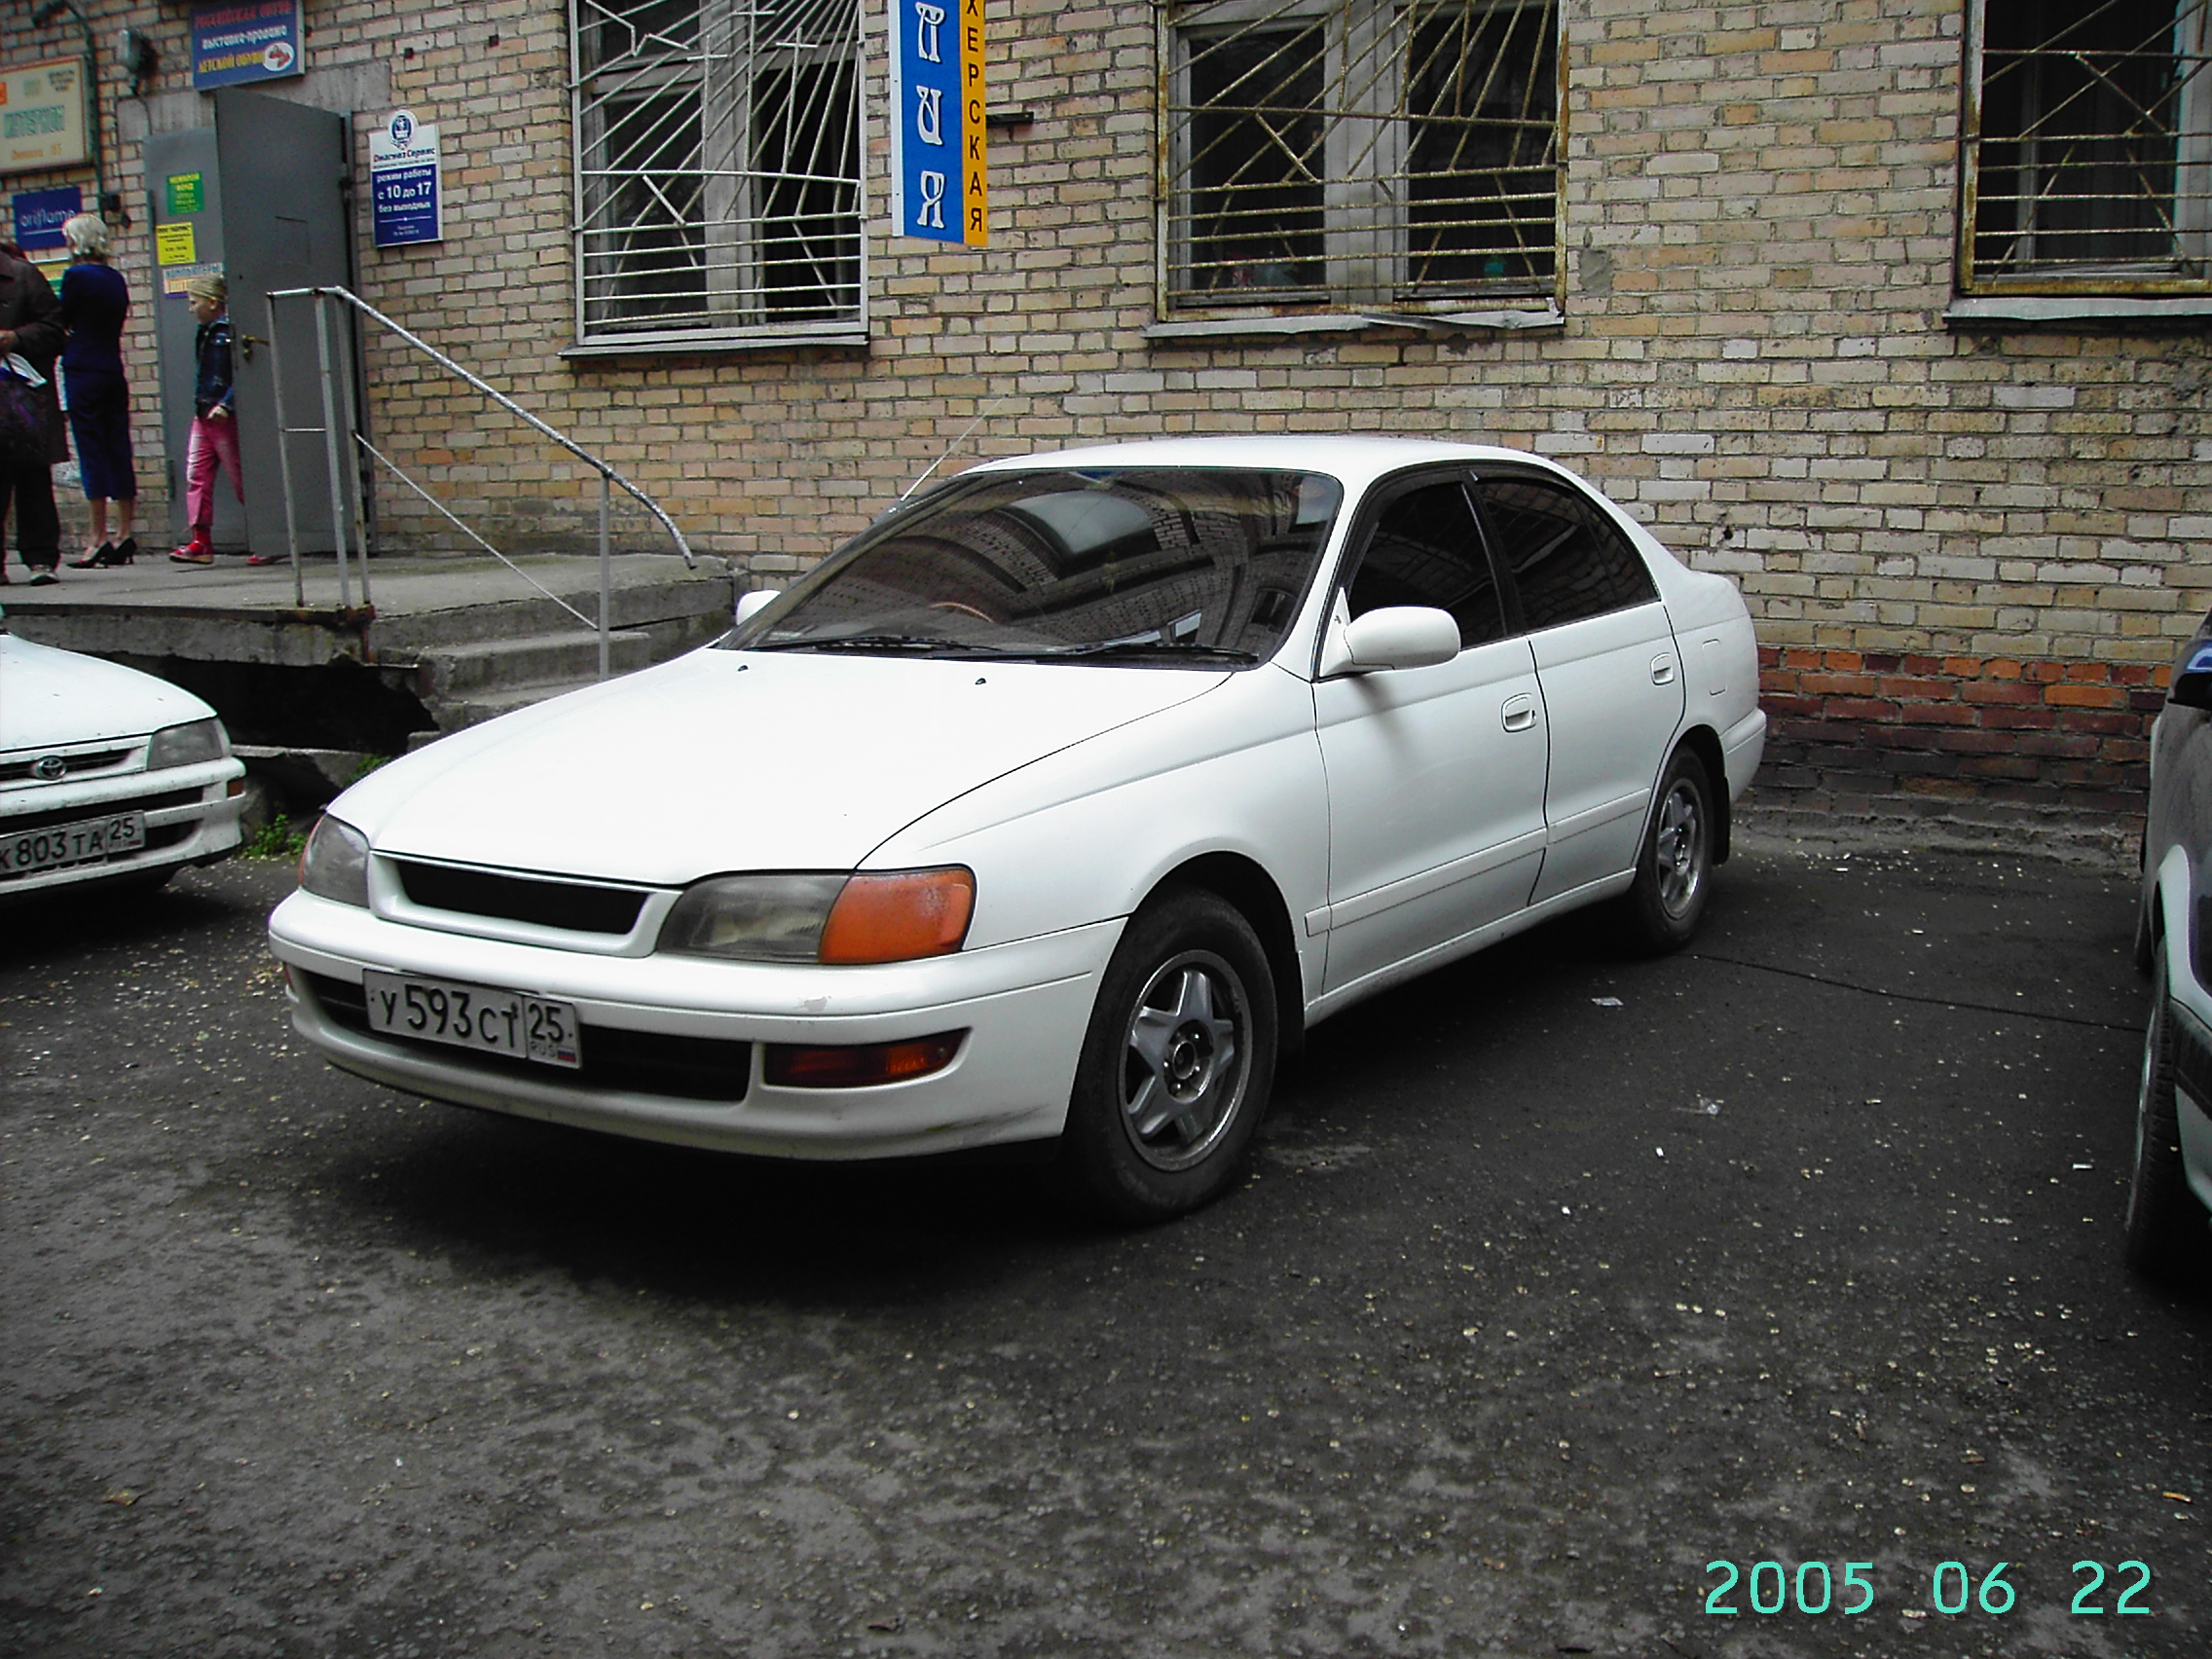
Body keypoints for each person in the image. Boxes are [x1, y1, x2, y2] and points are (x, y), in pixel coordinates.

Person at [56, 214, 138, 568]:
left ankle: (96, 538)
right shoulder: (115, 279)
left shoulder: (76, 276)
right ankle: (124, 534)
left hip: (82, 369)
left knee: (91, 451)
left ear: (77, 241)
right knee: (119, 447)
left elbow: (62, 320)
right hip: (111, 368)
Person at [0, 238, 67, 586]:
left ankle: (41, 559)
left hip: (22, 402)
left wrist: (15, 339)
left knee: (32, 483)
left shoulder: (23, 275)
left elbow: (56, 331)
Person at [169, 273, 240, 567]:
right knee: (196, 476)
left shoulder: (228, 331)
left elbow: (242, 369)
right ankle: (201, 542)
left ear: (213, 302)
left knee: (241, 479)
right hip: (204, 413)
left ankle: (270, 536)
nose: (190, 308)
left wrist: (228, 403)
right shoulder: (207, 330)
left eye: (194, 302)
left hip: (221, 415)